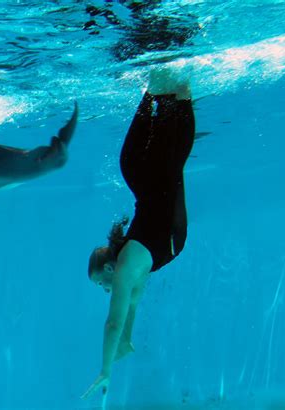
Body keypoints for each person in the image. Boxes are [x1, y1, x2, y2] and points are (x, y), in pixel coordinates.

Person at [82, 67, 195, 399]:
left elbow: (118, 319)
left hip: (171, 233)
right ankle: (159, 90)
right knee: (146, 163)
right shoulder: (129, 266)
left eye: (103, 283)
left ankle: (170, 91)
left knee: (158, 162)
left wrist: (113, 360)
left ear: (109, 269)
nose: (107, 289)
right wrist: (109, 362)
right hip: (163, 220)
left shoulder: (129, 270)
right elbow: (119, 318)